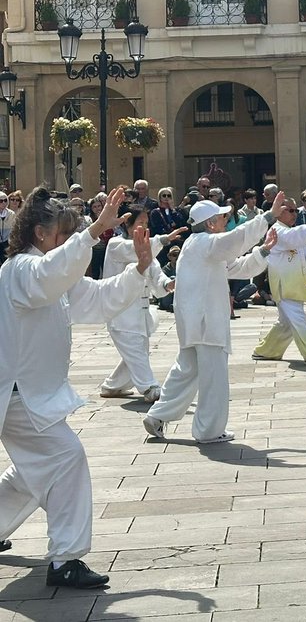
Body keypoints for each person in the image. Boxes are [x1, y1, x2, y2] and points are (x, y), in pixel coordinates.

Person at [0, 186, 153, 589]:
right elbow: (51, 277)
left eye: (72, 235)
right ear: (39, 234)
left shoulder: (52, 272)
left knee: (33, 471)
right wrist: (93, 233)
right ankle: (65, 560)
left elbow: (97, 300)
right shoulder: (20, 269)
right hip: (20, 397)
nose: (68, 242)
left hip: (30, 396)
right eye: (63, 235)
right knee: (66, 460)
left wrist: (138, 270)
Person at [143, 194, 283, 445]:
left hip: (193, 322)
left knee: (186, 371)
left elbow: (237, 267)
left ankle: (157, 415)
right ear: (209, 223)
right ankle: (208, 430)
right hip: (207, 323)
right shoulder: (207, 242)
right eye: (221, 218)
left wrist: (263, 250)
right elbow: (236, 240)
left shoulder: (196, 245)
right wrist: (268, 217)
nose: (224, 221)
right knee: (213, 378)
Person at [99, 208, 187, 403]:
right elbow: (134, 252)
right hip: (120, 311)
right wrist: (164, 240)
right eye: (140, 223)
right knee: (136, 350)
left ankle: (112, 385)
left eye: (146, 224)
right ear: (127, 224)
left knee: (137, 351)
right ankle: (150, 387)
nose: (144, 227)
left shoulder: (148, 251)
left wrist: (167, 283)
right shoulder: (115, 245)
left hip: (141, 312)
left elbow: (157, 275)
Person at [250, 198, 306, 364]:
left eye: (296, 211)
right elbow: (297, 236)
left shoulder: (290, 232)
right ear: (279, 212)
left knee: (285, 324)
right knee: (298, 318)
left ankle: (265, 351)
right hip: (284, 285)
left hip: (293, 284)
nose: (295, 214)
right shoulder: (277, 231)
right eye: (291, 210)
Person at [0, 192, 13, 264]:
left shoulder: (11, 214)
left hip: (7, 242)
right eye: (0, 201)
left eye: (5, 200)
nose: (3, 203)